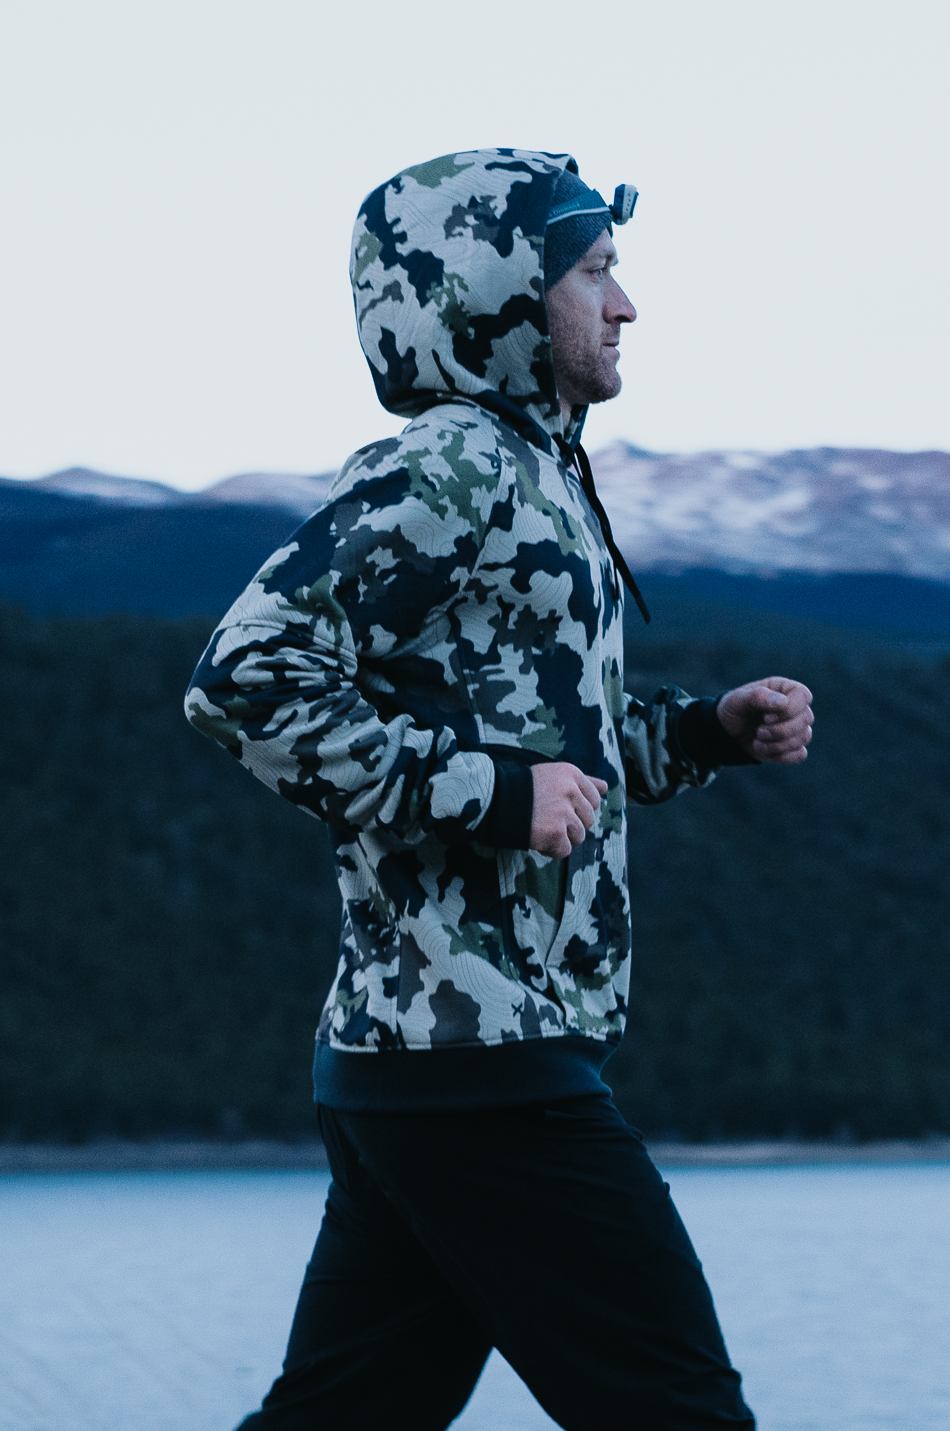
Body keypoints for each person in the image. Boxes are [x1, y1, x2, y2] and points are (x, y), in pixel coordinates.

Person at [185, 149, 813, 1430]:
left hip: (427, 1058)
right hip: (479, 1063)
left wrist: (700, 731)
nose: (625, 304)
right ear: (499, 298)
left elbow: (544, 755)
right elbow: (241, 680)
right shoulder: (451, 468)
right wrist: (478, 792)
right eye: (593, 272)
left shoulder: (537, 472)